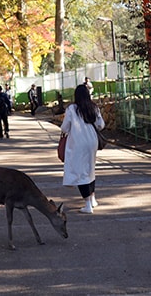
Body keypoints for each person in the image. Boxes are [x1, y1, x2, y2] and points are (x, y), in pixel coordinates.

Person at [60, 83, 105, 214]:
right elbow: (101, 124)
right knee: (90, 170)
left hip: (77, 143)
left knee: (80, 172)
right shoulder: (93, 107)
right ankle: (93, 199)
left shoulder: (72, 109)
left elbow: (64, 128)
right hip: (92, 141)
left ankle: (87, 204)